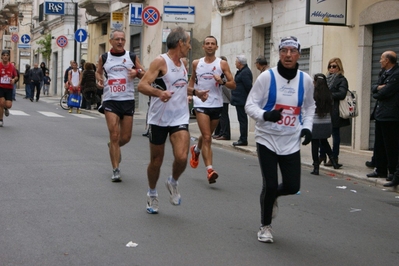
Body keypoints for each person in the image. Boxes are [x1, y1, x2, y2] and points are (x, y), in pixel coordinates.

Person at [245, 36, 315, 243]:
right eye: (284, 50)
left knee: (293, 186)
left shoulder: (306, 80)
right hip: (267, 138)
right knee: (270, 183)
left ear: (298, 54)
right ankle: (265, 226)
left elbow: (310, 107)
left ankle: (273, 196)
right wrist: (265, 115)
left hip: (291, 140)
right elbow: (250, 105)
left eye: (292, 51)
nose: (288, 55)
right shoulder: (267, 77)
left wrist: (307, 128)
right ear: (279, 53)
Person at [138, 26, 207, 214]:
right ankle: (152, 193)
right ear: (180, 43)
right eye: (188, 43)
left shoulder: (183, 64)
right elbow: (142, 86)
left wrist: (196, 92)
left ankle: (173, 181)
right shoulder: (160, 62)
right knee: (156, 160)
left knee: (182, 156)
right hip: (158, 119)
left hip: (179, 117)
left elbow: (181, 87)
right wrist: (159, 93)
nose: (190, 47)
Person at [96, 30, 145, 182]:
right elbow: (98, 72)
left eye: (123, 39)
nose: (120, 42)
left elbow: (144, 73)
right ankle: (116, 169)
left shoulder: (131, 56)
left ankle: (113, 146)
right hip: (111, 100)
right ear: (111, 41)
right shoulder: (104, 57)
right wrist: (99, 80)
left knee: (126, 137)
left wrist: (136, 72)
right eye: (117, 39)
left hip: (128, 99)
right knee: (115, 134)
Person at [189, 39, 236, 184]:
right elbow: (192, 80)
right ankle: (210, 170)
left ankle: (196, 149)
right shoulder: (196, 63)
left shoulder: (222, 64)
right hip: (201, 103)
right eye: (207, 43)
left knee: (206, 134)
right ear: (203, 46)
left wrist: (222, 81)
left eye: (212, 43)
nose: (209, 46)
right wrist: (191, 94)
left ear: (216, 47)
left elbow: (233, 84)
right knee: (208, 137)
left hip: (216, 104)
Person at [367, 51, 399, 179]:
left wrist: (378, 90)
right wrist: (378, 88)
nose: (380, 61)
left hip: (391, 115)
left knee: (391, 145)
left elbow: (385, 92)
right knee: (379, 144)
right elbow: (374, 88)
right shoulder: (384, 73)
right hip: (380, 113)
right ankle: (380, 169)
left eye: (381, 59)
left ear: (387, 61)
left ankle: (392, 171)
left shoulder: (396, 74)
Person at [319, 58, 350, 166]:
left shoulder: (342, 79)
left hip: (335, 111)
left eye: (334, 66)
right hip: (324, 110)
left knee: (335, 135)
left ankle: (334, 158)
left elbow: (342, 94)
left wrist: (328, 95)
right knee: (322, 133)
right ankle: (322, 155)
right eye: (330, 66)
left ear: (339, 67)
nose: (331, 69)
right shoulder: (325, 79)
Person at [310, 73, 342, 175]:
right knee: (324, 141)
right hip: (327, 122)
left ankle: (316, 167)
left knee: (315, 144)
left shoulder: (313, 93)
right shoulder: (328, 94)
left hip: (315, 121)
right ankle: (333, 160)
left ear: (315, 82)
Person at [231, 55, 253, 146]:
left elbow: (249, 87)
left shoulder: (245, 73)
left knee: (242, 120)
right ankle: (242, 138)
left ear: (239, 63)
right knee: (241, 119)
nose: (235, 63)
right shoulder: (242, 71)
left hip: (242, 100)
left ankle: (243, 139)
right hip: (239, 99)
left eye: (236, 62)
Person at [213, 56, 232, 141]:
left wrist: (230, 99)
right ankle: (220, 133)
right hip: (219, 99)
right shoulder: (220, 72)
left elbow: (226, 88)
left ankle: (225, 134)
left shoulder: (224, 73)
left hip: (224, 99)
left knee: (224, 117)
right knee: (221, 117)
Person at [0, 50, 18, 127]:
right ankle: (1, 120)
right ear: (1, 57)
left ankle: (6, 108)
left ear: (9, 57)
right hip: (0, 87)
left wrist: (14, 80)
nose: (5, 56)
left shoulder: (12, 66)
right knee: (1, 103)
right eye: (4, 55)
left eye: (7, 55)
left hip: (9, 88)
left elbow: (16, 76)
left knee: (8, 105)